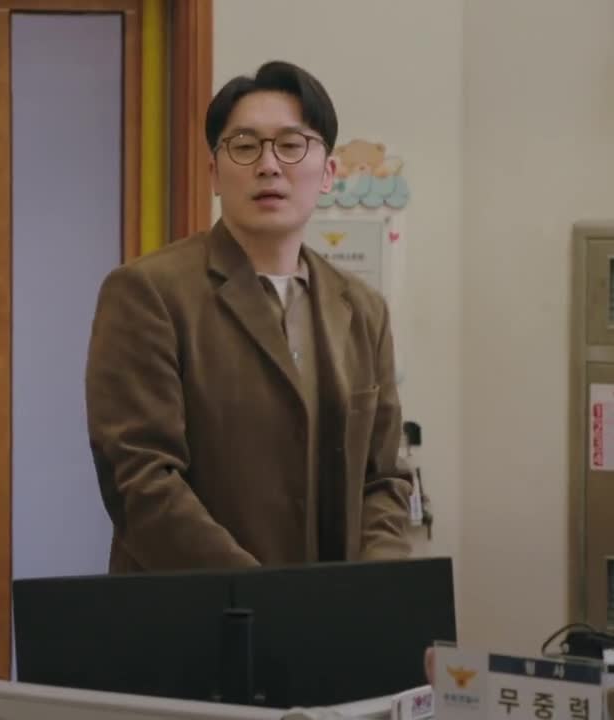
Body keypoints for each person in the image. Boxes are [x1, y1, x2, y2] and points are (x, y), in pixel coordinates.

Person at [85, 60, 414, 574]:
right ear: (215, 173)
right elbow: (140, 478)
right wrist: (258, 598)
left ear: (328, 173)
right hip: (195, 608)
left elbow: (385, 478)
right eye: (244, 145)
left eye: (291, 144)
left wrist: (373, 587)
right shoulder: (148, 293)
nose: (268, 165)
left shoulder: (363, 309)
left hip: (337, 612)